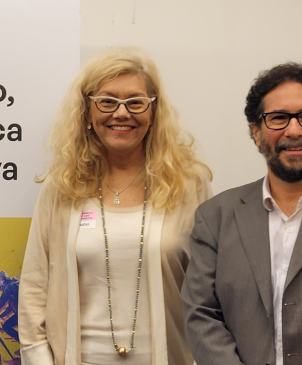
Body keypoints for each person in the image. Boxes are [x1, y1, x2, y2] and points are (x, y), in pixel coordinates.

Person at [19, 48, 212, 365]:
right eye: (107, 101)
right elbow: (34, 287)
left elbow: (210, 289)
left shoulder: (188, 184)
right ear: (87, 110)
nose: (121, 113)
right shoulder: (63, 186)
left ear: (153, 111)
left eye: (135, 102)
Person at [182, 63, 302, 365]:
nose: (294, 130)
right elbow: (200, 314)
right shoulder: (216, 217)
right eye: (278, 118)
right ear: (256, 131)